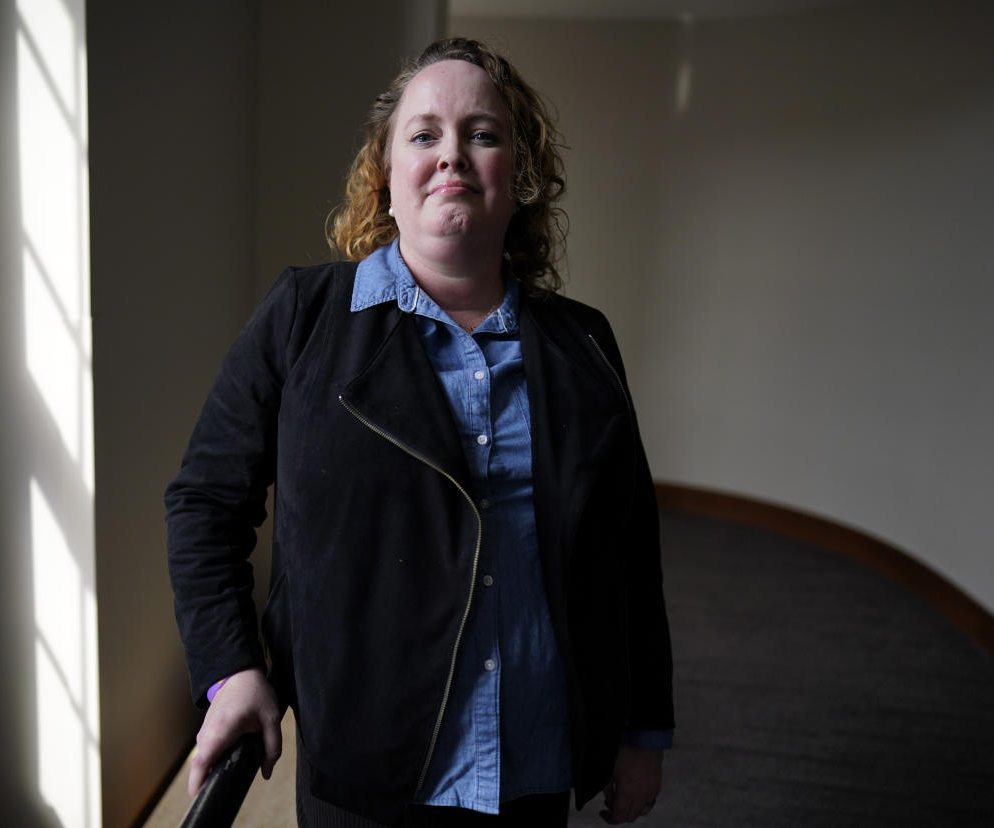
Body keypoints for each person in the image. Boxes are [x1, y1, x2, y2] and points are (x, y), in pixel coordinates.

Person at [165, 37, 674, 827]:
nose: (453, 156)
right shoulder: (303, 317)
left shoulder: (584, 343)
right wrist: (231, 669)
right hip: (368, 764)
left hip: (531, 761)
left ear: (521, 181)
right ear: (386, 177)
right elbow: (204, 502)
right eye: (425, 134)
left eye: (484, 133)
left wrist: (642, 728)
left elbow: (629, 545)